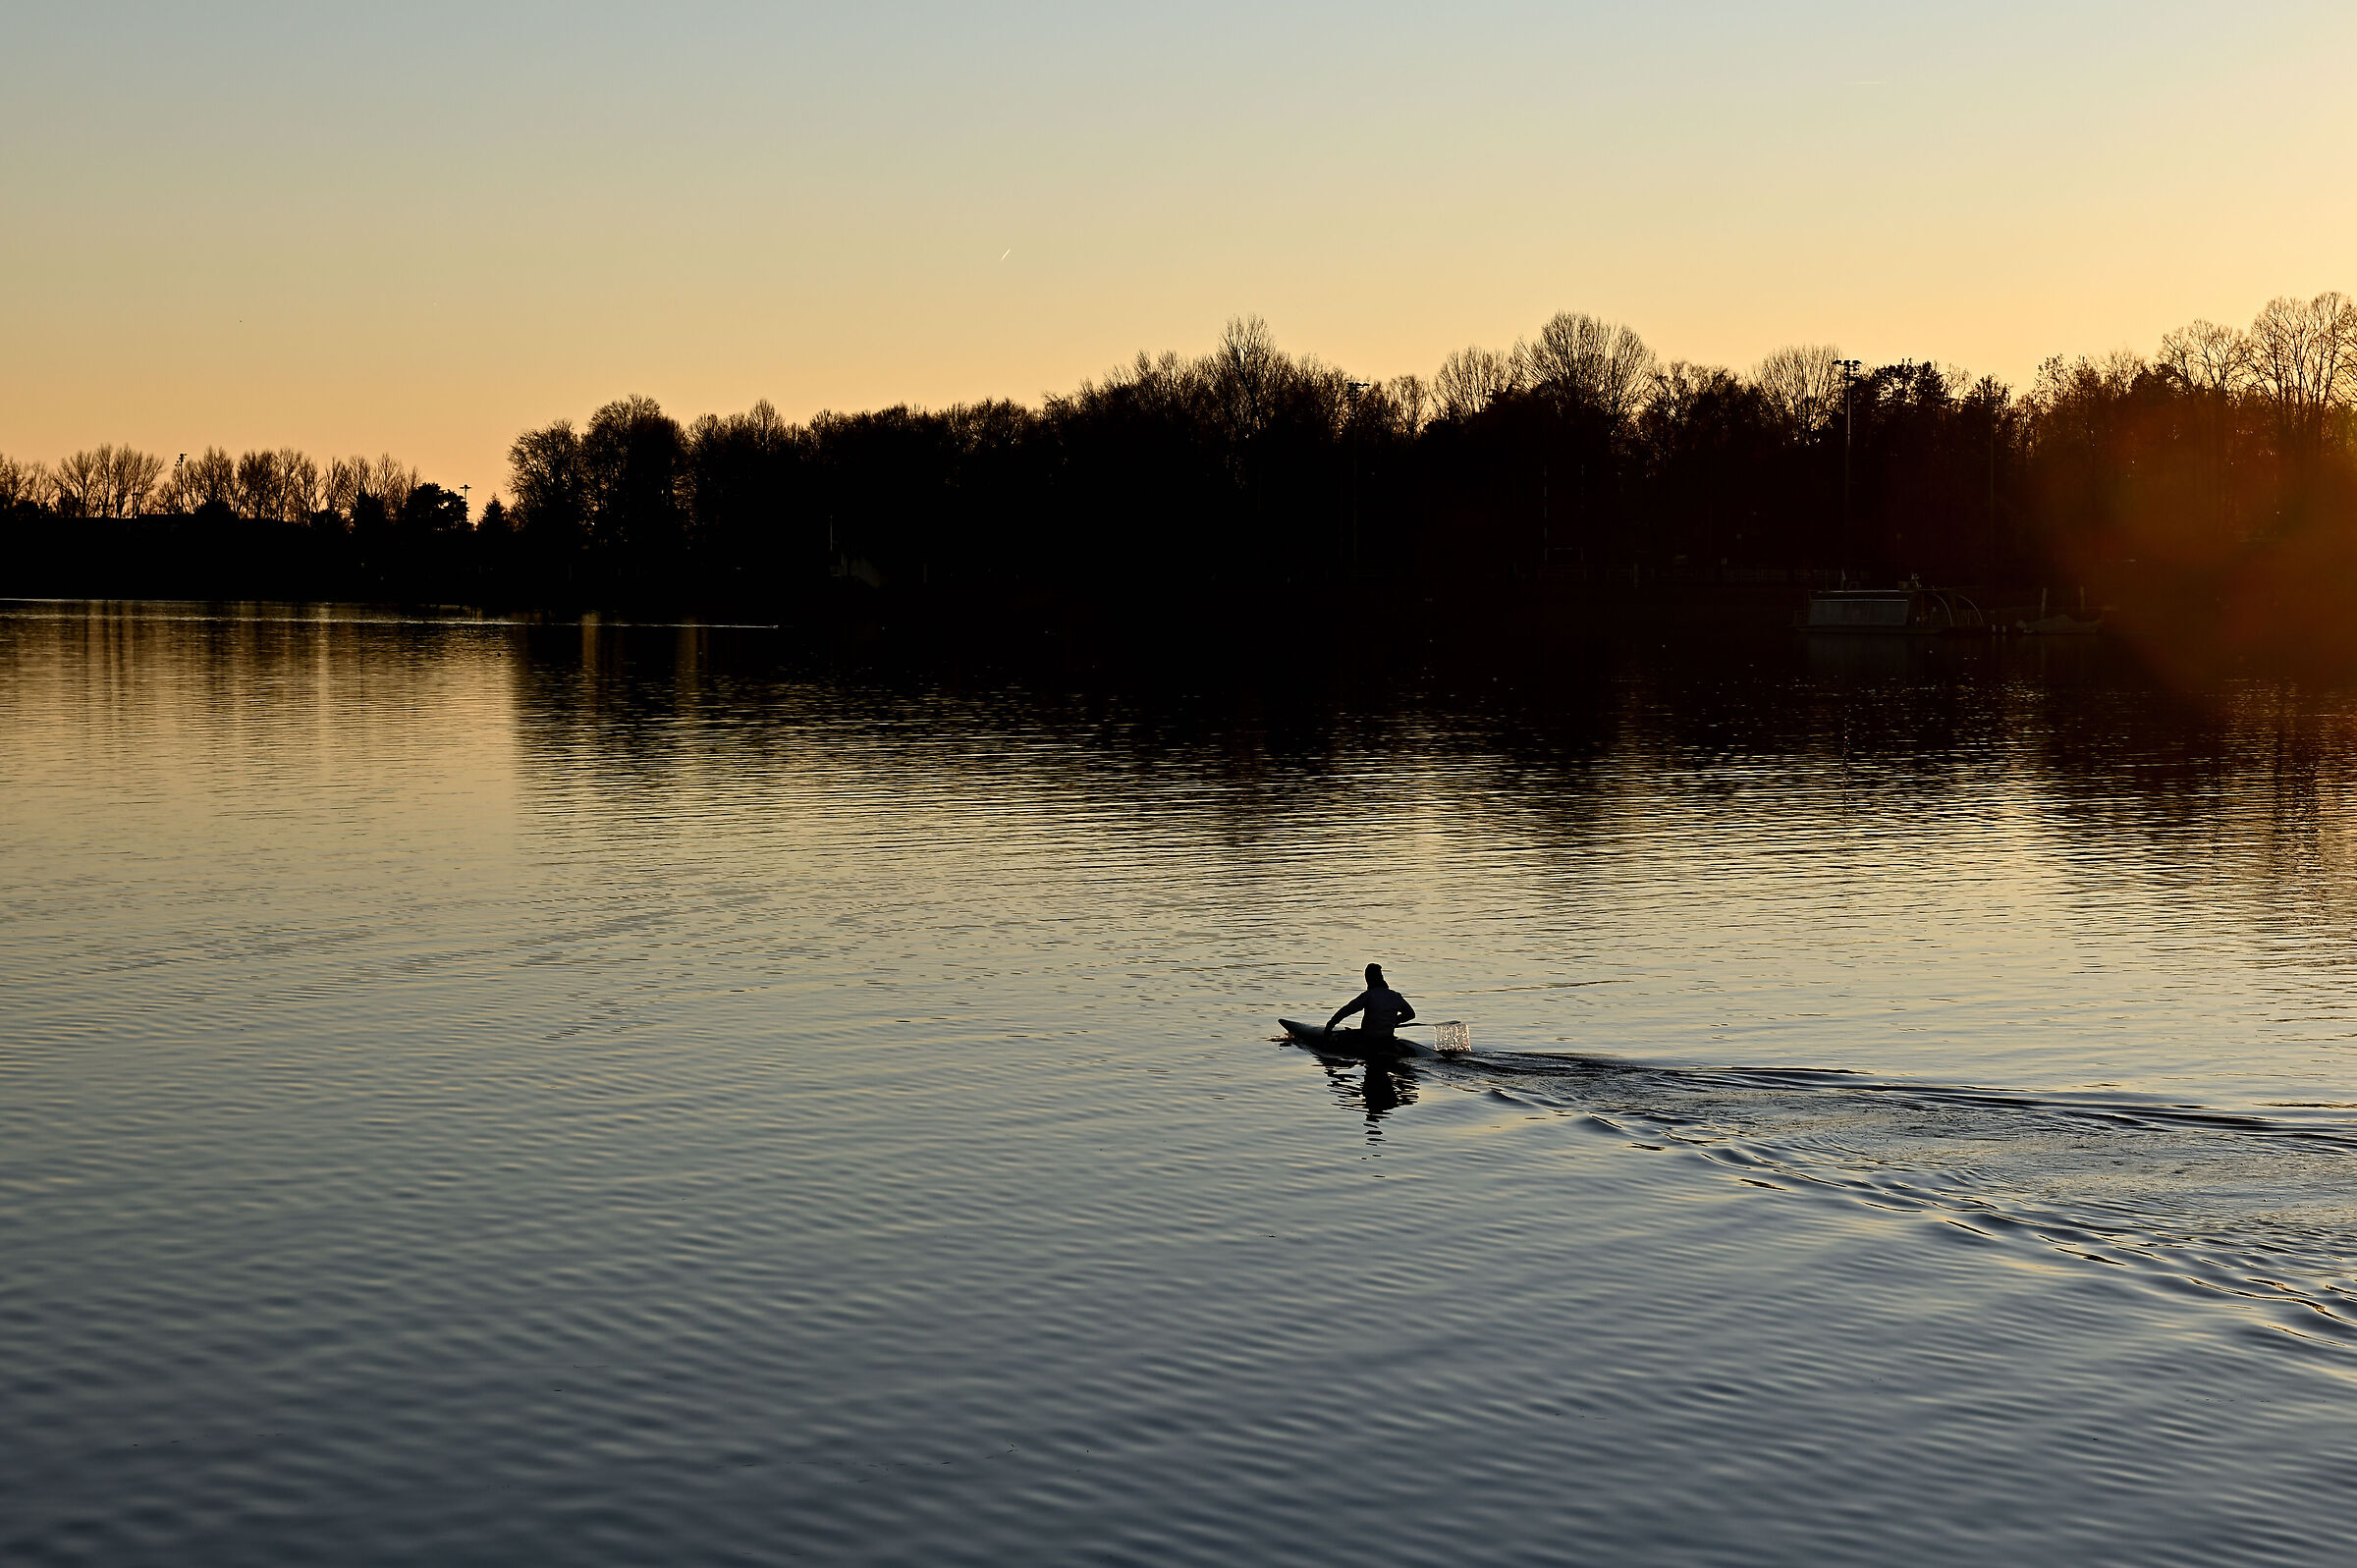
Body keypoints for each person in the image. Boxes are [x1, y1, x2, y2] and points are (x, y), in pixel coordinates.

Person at [1325, 963, 1415, 1041]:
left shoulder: (1368, 996)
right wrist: (1393, 1021)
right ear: (1382, 978)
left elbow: (1346, 1011)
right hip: (1387, 1038)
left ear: (1369, 979)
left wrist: (1330, 1025)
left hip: (1368, 1039)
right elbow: (1410, 1014)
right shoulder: (1396, 996)